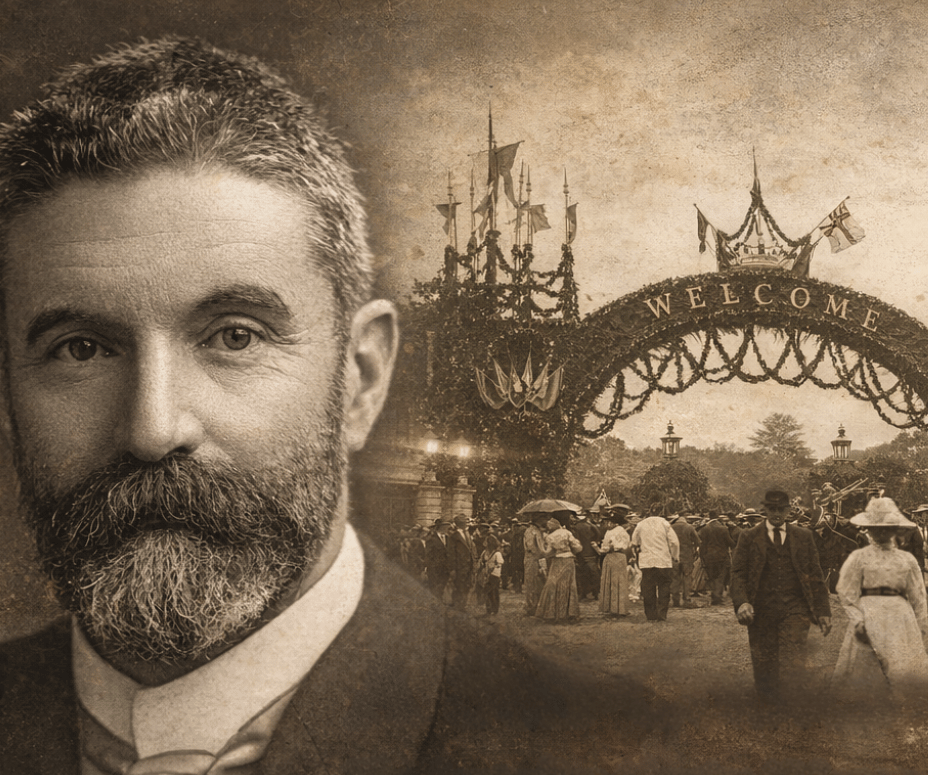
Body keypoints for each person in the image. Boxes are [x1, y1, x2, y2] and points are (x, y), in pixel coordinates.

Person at [0, 36, 655, 772]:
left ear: (362, 379)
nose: (153, 429)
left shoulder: (599, 747)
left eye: (235, 336)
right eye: (81, 349)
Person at [730, 490, 833, 699]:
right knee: (764, 663)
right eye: (772, 509)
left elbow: (815, 574)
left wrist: (823, 611)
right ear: (765, 510)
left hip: (795, 608)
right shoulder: (748, 537)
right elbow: (738, 573)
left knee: (793, 659)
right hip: (761, 610)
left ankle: (791, 705)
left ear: (788, 510)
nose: (776, 514)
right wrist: (742, 603)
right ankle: (767, 704)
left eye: (781, 509)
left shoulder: (804, 536)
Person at [831, 499, 928, 692]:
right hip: (869, 614)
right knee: (866, 669)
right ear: (868, 530)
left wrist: (920, 626)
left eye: (887, 529)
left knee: (900, 666)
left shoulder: (906, 560)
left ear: (895, 530)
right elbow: (846, 592)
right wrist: (858, 621)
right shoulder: (859, 557)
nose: (882, 533)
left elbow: (918, 596)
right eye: (876, 529)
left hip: (899, 617)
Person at [630, 511, 679, 621]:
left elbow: (634, 542)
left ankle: (651, 615)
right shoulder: (665, 523)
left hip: (647, 561)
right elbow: (674, 542)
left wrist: (637, 554)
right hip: (663, 560)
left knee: (648, 588)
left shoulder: (641, 524)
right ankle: (662, 614)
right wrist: (675, 556)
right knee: (664, 587)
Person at [536, 518, 582, 622]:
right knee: (569, 584)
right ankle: (570, 612)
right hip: (569, 560)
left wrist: (541, 546)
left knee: (553, 584)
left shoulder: (550, 537)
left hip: (557, 561)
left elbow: (547, 552)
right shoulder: (567, 532)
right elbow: (577, 548)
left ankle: (553, 612)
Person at [598, 505, 633, 617]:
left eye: (608, 521)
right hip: (610, 557)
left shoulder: (620, 531)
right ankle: (611, 607)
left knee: (617, 581)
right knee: (611, 581)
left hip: (617, 556)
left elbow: (624, 545)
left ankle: (618, 608)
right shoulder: (609, 532)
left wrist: (612, 547)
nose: (607, 524)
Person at [698, 512, 735, 605]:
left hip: (709, 556)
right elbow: (730, 542)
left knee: (712, 576)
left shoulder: (705, 529)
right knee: (720, 577)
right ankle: (716, 597)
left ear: (710, 517)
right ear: (717, 517)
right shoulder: (723, 528)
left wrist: (702, 556)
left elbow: (702, 544)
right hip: (722, 556)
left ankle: (714, 595)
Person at [669, 514, 701, 608]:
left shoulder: (671, 527)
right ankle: (686, 599)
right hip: (687, 556)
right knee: (687, 578)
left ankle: (675, 600)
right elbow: (698, 541)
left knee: (675, 578)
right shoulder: (689, 527)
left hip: (674, 556)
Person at [523, 514, 551, 616]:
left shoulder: (538, 531)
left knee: (539, 582)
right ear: (538, 520)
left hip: (537, 559)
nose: (546, 521)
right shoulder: (531, 531)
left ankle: (538, 606)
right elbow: (531, 547)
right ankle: (531, 607)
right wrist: (542, 554)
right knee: (532, 583)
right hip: (533, 559)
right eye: (544, 519)